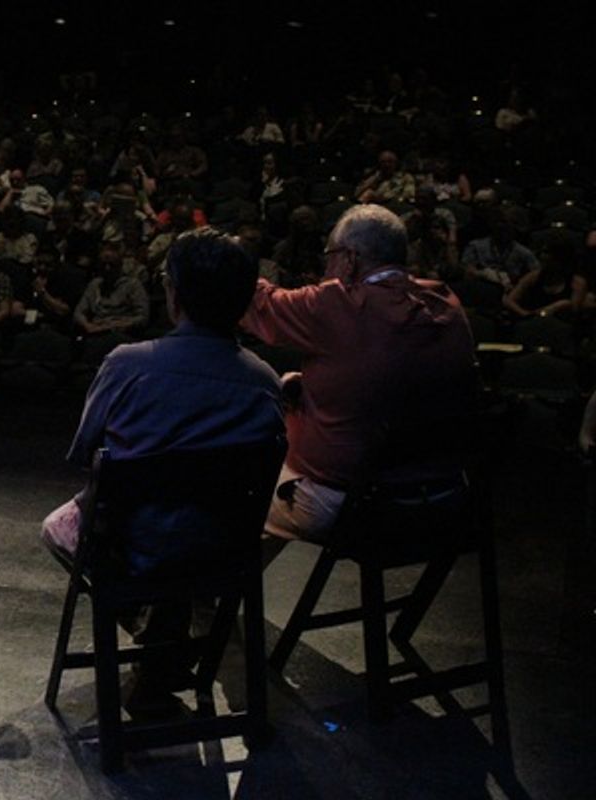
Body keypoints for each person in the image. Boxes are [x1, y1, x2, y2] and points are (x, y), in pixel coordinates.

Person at [42, 228, 284, 702]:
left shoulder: (125, 365)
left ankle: (152, 634)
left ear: (173, 294)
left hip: (133, 550)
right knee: (185, 537)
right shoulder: (264, 382)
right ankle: (167, 638)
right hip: (222, 550)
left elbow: (85, 455)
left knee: (56, 527)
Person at [240, 204, 476, 543]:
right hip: (446, 499)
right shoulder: (446, 303)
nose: (326, 268)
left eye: (330, 256)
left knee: (234, 499)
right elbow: (388, 377)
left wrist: (230, 254)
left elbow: (255, 299)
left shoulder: (337, 303)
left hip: (362, 506)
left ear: (349, 259)